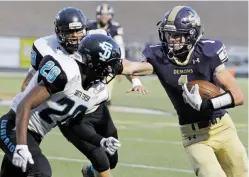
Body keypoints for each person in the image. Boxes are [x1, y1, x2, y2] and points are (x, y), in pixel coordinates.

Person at [121, 6, 248, 177]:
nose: (171, 40)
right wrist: (105, 57)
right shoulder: (160, 57)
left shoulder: (207, 53)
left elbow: (238, 96)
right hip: (194, 135)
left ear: (192, 35)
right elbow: (130, 67)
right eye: (168, 35)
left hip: (223, 127)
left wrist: (207, 104)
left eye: (177, 35)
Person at [19, 7, 146, 177]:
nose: (75, 35)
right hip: (70, 112)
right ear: (59, 32)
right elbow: (31, 79)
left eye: (78, 30)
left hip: (95, 104)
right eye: (69, 31)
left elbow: (117, 63)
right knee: (100, 158)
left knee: (111, 159)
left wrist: (136, 80)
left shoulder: (95, 38)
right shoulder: (45, 47)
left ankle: (90, 173)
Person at [0, 33, 122, 177]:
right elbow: (24, 105)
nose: (109, 72)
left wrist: (100, 140)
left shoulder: (97, 92)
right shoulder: (66, 72)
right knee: (42, 172)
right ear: (93, 63)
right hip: (13, 127)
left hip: (34, 136)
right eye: (107, 67)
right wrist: (21, 145)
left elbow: (74, 125)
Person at [88, 3, 139, 106]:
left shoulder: (115, 28)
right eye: (102, 14)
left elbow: (120, 46)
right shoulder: (90, 25)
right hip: (93, 58)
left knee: (109, 79)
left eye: (107, 14)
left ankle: (106, 99)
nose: (104, 17)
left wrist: (121, 63)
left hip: (108, 59)